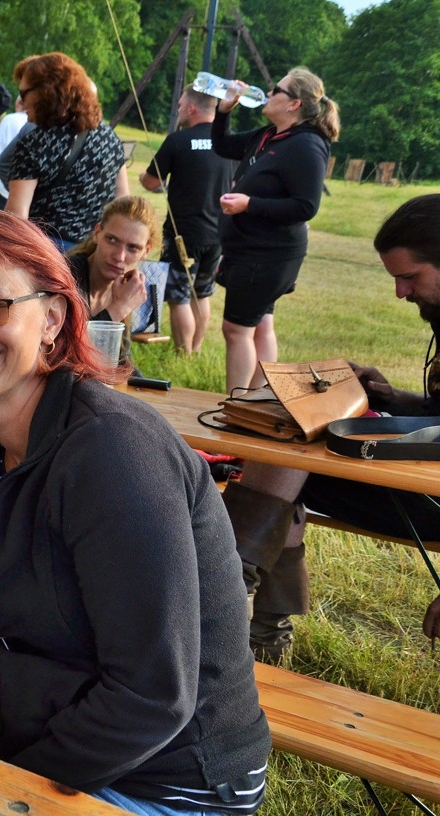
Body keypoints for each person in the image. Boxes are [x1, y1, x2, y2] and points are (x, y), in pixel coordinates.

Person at [0, 207, 270, 813]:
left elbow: (152, 698)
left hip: (170, 778)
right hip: (48, 733)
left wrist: (1, 792)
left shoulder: (112, 453)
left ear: (52, 317)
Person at [224, 194, 440, 661]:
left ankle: (233, 608)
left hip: (432, 498)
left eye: (410, 277)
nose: (401, 292)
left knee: (293, 449)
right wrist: (392, 398)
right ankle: (251, 624)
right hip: (423, 478)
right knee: (291, 437)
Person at [212, 67, 339, 393]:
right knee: (260, 326)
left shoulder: (307, 145)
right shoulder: (269, 134)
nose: (268, 94)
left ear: (294, 104)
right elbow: (223, 145)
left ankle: (234, 403)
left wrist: (249, 204)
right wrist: (224, 111)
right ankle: (255, 400)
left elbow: (306, 206)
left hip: (267, 255)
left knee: (236, 330)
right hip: (253, 250)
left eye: (276, 90)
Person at [140, 89, 234, 354]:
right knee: (201, 293)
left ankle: (183, 353)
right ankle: (196, 348)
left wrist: (143, 179)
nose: (178, 109)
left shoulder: (178, 140)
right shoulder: (229, 142)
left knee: (178, 297)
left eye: (181, 105)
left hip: (183, 234)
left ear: (192, 108)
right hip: (218, 234)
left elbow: (151, 182)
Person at [6, 53, 129, 251]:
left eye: (23, 93)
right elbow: (123, 201)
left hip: (46, 253)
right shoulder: (110, 138)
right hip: (92, 253)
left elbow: (16, 218)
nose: (21, 101)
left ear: (45, 93)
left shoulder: (34, 144)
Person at [65, 196, 156, 329]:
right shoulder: (66, 276)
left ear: (146, 251)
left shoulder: (126, 289)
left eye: (133, 248)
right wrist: (120, 308)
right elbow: (67, 341)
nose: (119, 256)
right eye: (112, 240)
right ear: (97, 233)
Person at [0, 95, 29, 210]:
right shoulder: (39, 123)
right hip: (28, 188)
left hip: (7, 181)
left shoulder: (9, 119)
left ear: (19, 103)